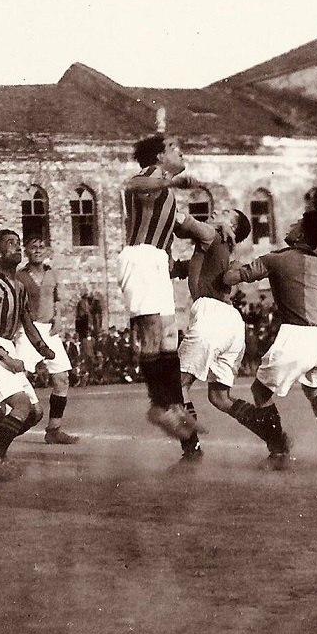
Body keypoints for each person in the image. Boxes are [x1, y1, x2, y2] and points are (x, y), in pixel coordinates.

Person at [222, 209, 317, 469]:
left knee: (259, 390)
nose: (291, 225)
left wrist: (229, 259)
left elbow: (230, 278)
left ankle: (278, 451)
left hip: (297, 335)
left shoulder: (277, 259)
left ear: (301, 233)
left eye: (296, 223)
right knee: (314, 389)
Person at [117, 133, 200, 441]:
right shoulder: (152, 176)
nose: (182, 153)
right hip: (140, 257)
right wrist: (171, 182)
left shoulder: (165, 188)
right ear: (161, 155)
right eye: (175, 148)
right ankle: (158, 406)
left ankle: (174, 405)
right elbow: (132, 185)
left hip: (155, 263)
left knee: (168, 337)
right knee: (153, 333)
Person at [0, 229, 56, 477]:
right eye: (10, 244)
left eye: (18, 243)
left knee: (36, 413)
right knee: (21, 406)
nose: (17, 248)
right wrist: (6, 358)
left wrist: (44, 350)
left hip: (7, 347)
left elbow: (27, 321)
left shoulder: (18, 286)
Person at [173, 206, 252, 459]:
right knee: (220, 398)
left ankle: (192, 448)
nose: (218, 209)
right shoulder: (220, 249)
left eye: (227, 211)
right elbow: (183, 268)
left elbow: (179, 221)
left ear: (233, 226)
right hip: (231, 322)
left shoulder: (212, 235)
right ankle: (274, 434)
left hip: (211, 315)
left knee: (176, 384)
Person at [15, 236, 79, 444]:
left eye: (41, 246)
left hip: (50, 332)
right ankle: (1, 428)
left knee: (62, 379)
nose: (38, 250)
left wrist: (59, 318)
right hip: (28, 331)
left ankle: (54, 430)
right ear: (26, 251)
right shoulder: (20, 276)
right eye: (33, 247)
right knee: (17, 377)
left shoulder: (51, 273)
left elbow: (57, 299)